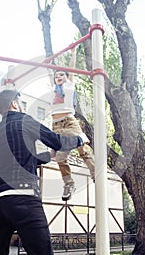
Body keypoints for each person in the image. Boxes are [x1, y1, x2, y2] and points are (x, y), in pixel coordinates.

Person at [0, 89, 89, 255]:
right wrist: (80, 139)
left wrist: (48, 156)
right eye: (21, 103)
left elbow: (23, 159)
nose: (22, 107)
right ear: (14, 103)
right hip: (22, 197)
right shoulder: (23, 120)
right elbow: (57, 141)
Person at [50, 48, 95, 201]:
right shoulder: (53, 89)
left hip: (69, 121)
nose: (58, 77)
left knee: (83, 149)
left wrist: (73, 52)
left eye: (61, 74)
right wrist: (50, 61)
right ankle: (69, 183)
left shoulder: (69, 85)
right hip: (56, 126)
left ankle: (95, 171)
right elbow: (50, 72)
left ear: (66, 76)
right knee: (60, 158)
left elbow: (71, 68)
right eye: (56, 76)